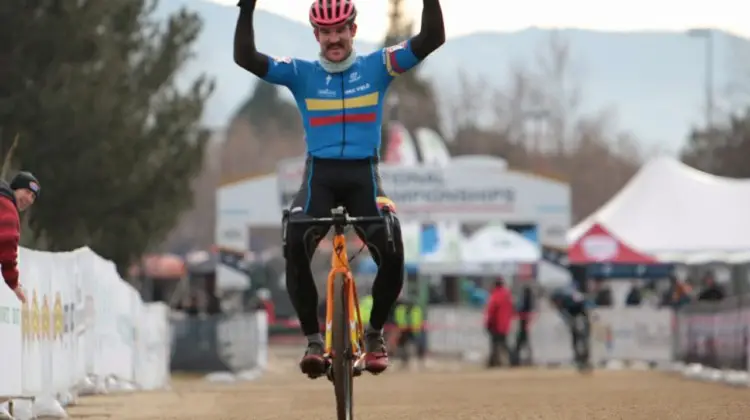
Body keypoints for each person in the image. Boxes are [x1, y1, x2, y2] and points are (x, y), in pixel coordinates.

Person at [233, 0, 445, 378]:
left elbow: (432, 38)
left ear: (353, 31)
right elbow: (246, 58)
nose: (334, 38)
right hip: (321, 178)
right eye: (326, 32)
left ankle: (376, 334)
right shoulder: (301, 74)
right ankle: (314, 341)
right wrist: (246, 10)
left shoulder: (378, 66)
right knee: (295, 237)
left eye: (340, 30)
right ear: (316, 35)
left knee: (392, 244)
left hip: (365, 176)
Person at [0, 171, 41, 304]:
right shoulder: (8, 209)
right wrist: (14, 283)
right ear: (16, 188)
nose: (29, 199)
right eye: (27, 192)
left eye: (33, 197)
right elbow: (7, 242)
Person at [550, 286, 592, 371]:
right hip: (573, 318)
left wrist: (581, 321)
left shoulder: (571, 298)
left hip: (581, 315)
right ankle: (578, 359)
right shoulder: (560, 305)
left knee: (583, 338)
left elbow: (583, 305)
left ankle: (585, 359)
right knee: (575, 339)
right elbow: (564, 315)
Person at [484, 279, 514, 368]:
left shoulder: (495, 295)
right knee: (503, 343)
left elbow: (492, 310)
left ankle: (493, 362)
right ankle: (511, 360)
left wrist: (488, 323)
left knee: (495, 344)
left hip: (496, 324)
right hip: (505, 324)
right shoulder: (508, 295)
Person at [393, 298, 425, 369]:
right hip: (403, 330)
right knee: (402, 346)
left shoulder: (416, 310)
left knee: (415, 346)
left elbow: (419, 320)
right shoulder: (400, 310)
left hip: (414, 331)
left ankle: (416, 361)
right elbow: (398, 320)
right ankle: (404, 361)